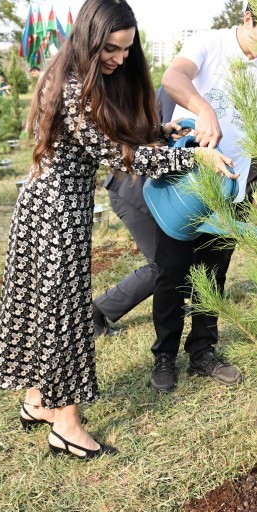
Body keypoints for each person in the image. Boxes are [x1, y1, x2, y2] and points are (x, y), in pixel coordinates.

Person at [0, 0, 234, 460]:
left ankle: (38, 398)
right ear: (89, 37)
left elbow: (117, 134)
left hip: (58, 208)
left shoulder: (80, 76)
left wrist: (165, 132)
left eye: (127, 49)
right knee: (63, 317)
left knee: (49, 310)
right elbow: (116, 154)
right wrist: (191, 155)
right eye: (112, 49)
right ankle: (66, 424)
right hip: (52, 215)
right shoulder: (69, 86)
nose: (121, 59)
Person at [149, 0, 257, 393]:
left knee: (214, 273)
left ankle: (203, 352)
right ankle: (164, 356)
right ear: (248, 18)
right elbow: (173, 78)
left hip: (230, 193)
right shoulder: (209, 42)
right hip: (185, 184)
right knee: (171, 274)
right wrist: (203, 108)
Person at [91, 86, 177, 338]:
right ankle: (97, 311)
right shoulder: (175, 92)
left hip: (151, 190)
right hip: (132, 190)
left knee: (172, 261)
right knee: (161, 264)